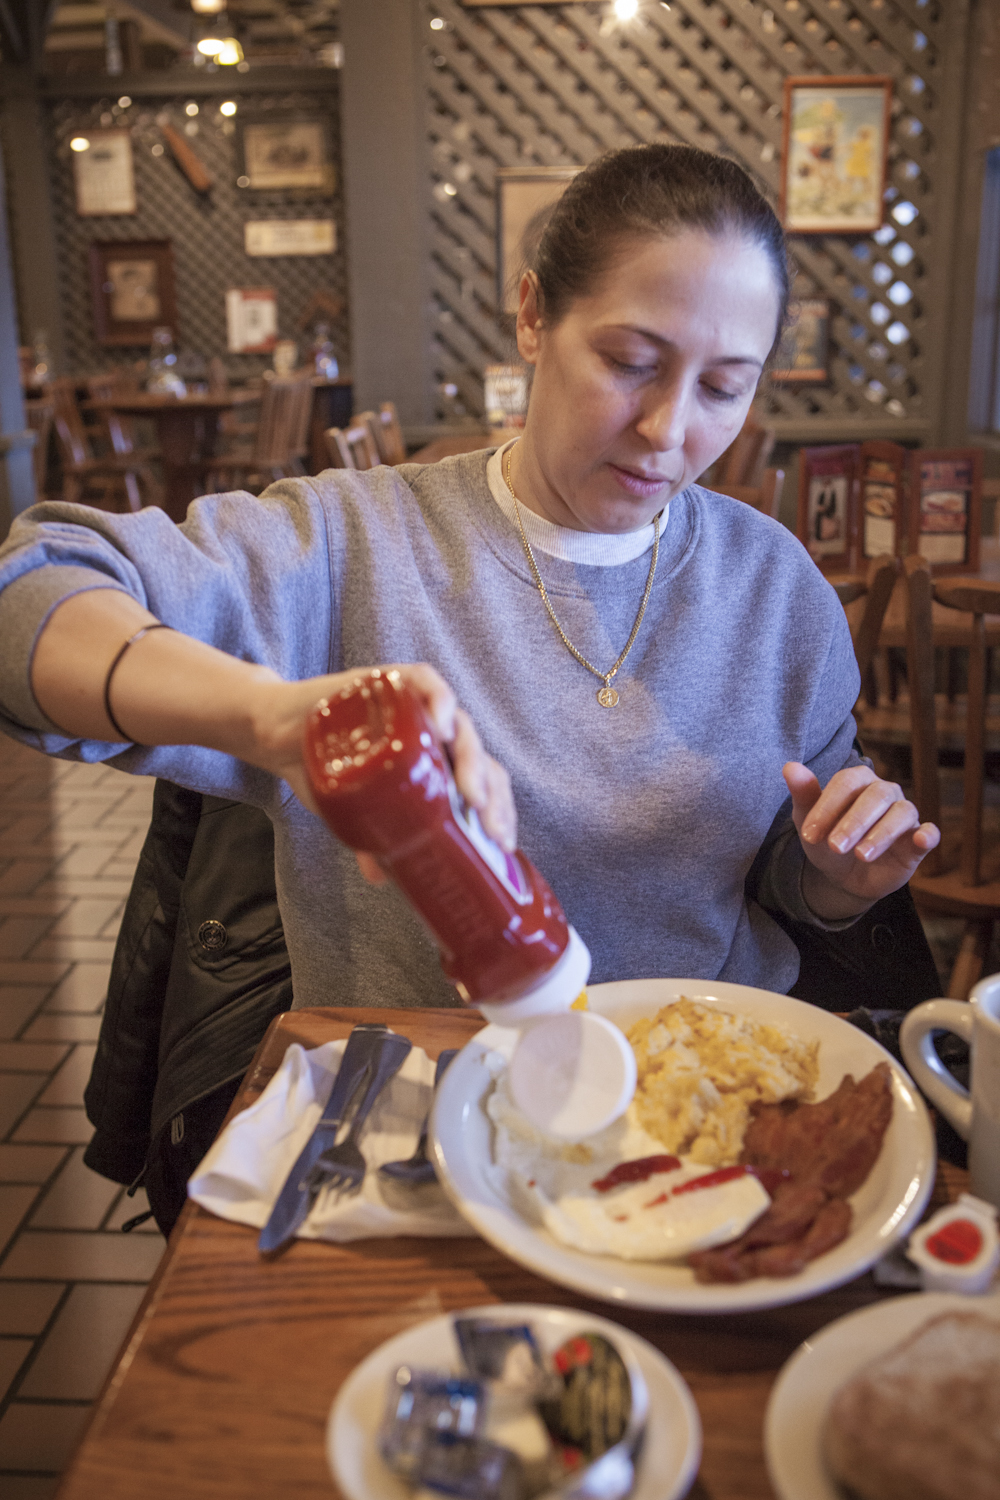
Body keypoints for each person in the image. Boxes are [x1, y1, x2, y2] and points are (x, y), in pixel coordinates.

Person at [0, 144, 939, 1012]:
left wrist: (837, 876)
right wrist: (278, 721)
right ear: (533, 316)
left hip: (707, 1077)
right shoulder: (356, 543)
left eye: (724, 388)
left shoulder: (775, 588)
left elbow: (783, 866)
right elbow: (29, 597)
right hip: (422, 1098)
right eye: (630, 363)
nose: (667, 428)